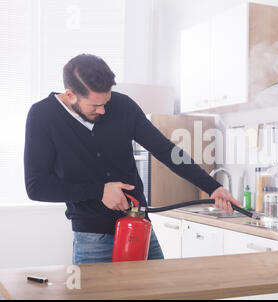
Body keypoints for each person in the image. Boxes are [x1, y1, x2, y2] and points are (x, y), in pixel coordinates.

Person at [24, 53, 240, 265]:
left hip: (139, 225)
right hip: (93, 237)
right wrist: (98, 191)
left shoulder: (123, 106)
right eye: (94, 106)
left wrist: (212, 187)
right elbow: (37, 187)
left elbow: (166, 150)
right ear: (70, 94)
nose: (103, 110)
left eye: (106, 101)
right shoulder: (43, 116)